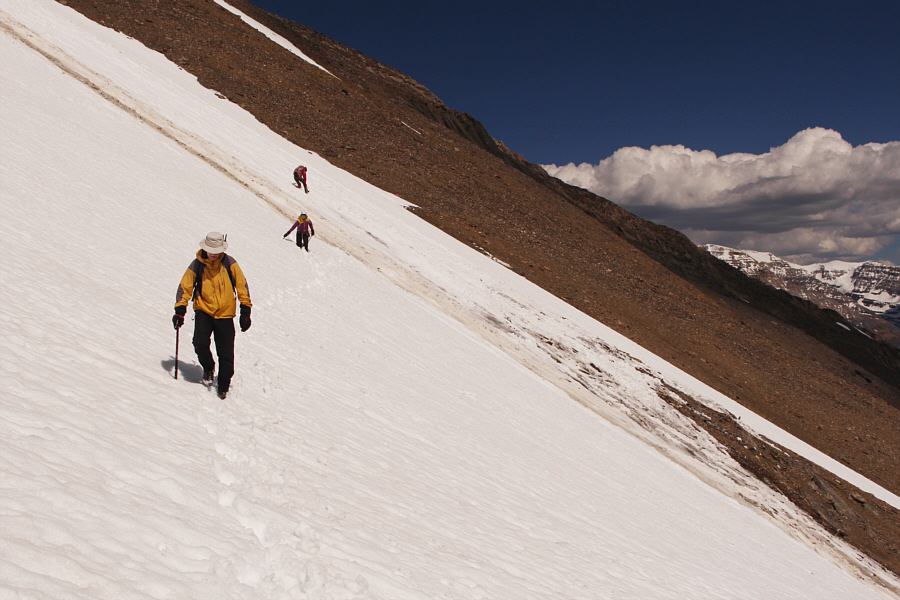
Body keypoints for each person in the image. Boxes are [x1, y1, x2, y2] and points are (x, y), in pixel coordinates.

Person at [173, 232, 252, 399]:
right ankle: (208, 367)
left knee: (226, 352)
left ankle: (223, 384)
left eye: (216, 252)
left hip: (225, 314)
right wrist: (180, 310)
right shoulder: (197, 265)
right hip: (204, 310)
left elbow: (242, 286)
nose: (213, 255)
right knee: (199, 343)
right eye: (210, 251)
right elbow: (185, 287)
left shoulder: (230, 263)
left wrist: (246, 310)